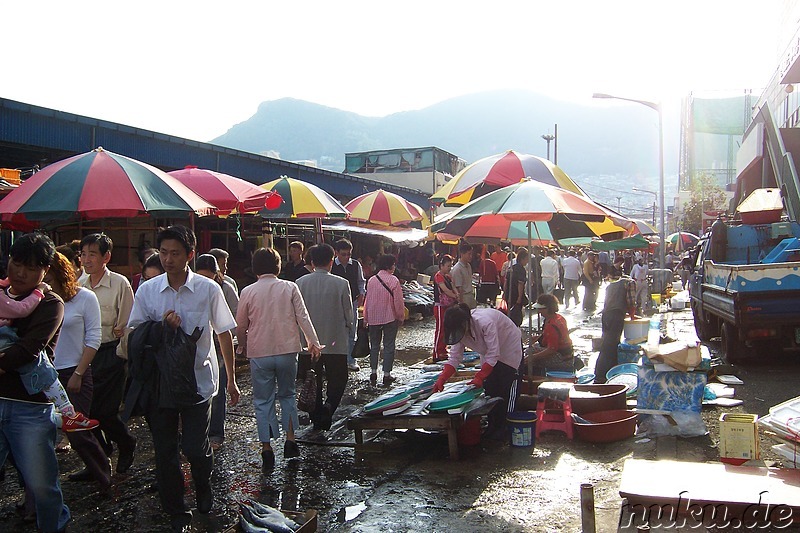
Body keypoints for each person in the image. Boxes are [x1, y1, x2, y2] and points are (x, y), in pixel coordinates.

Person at [129, 225, 240, 531]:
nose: (168, 259)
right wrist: (160, 327)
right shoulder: (148, 290)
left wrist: (231, 378)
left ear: (190, 255)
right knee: (164, 450)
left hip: (198, 381)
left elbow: (223, 333)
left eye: (175, 253)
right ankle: (176, 508)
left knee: (193, 446)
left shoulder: (208, 289)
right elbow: (133, 332)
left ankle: (203, 484)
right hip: (160, 383)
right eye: (163, 252)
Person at [0, 233, 71, 533]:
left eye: (30, 267)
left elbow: (26, 350)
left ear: (45, 270)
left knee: (41, 485)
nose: (20, 272)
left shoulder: (51, 304)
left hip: (30, 408)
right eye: (16, 263)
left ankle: (55, 527)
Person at [237, 248, 321, 474]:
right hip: (287, 350)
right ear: (278, 267)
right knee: (288, 395)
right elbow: (303, 316)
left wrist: (241, 344)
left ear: (254, 268)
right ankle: (290, 440)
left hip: (259, 352)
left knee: (263, 400)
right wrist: (313, 342)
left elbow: (241, 324)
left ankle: (266, 447)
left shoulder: (247, 291)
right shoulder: (289, 287)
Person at [47, 252, 111, 491]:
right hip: (45, 374)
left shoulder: (85, 298)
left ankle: (103, 474)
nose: (47, 285)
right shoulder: (39, 299)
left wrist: (79, 373)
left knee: (77, 430)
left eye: (51, 280)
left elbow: (94, 338)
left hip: (74, 370)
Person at [79, 233, 137, 474]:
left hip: (111, 353)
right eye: (83, 254)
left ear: (106, 257)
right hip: (85, 355)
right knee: (84, 413)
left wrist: (120, 356)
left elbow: (127, 321)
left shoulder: (119, 284)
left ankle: (126, 443)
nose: (86, 259)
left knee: (105, 411)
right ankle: (100, 457)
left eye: (92, 254)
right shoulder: (79, 284)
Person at [433, 304, 522, 439]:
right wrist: (442, 378)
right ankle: (493, 426)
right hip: (488, 354)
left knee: (506, 388)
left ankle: (506, 427)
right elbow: (455, 358)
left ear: (466, 323)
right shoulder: (459, 331)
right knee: (491, 389)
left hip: (509, 347)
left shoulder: (485, 322)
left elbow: (493, 353)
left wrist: (480, 376)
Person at [296, 244, 354, 431]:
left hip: (308, 344)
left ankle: (317, 414)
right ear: (331, 261)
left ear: (312, 262)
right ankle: (328, 408)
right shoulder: (341, 283)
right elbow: (349, 315)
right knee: (338, 379)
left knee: (313, 381)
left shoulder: (300, 283)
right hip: (335, 341)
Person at [194, 254, 239, 451]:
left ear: (216, 274)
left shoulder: (224, 288)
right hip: (194, 347)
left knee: (218, 390)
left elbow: (234, 317)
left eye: (209, 276)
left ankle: (216, 433)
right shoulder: (189, 288)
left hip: (219, 345)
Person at [363, 254, 405, 387]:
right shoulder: (394, 281)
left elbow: (367, 300)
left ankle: (373, 371)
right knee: (389, 346)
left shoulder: (371, 280)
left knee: (374, 346)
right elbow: (398, 302)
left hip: (374, 318)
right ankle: (386, 374)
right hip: (389, 317)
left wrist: (366, 317)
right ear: (389, 265)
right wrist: (401, 316)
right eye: (393, 264)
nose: (394, 267)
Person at [330, 239, 366, 372]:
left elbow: (361, 282)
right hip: (335, 304)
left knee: (352, 331)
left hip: (353, 302)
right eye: (343, 254)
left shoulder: (356, 265)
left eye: (348, 254)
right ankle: (337, 360)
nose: (346, 257)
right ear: (336, 253)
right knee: (336, 332)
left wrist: (362, 294)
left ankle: (351, 360)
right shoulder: (332, 265)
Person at [595, 272, 637, 383]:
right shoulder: (630, 283)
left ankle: (607, 370)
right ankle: (601, 374)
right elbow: (631, 302)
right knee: (610, 345)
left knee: (608, 343)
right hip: (616, 315)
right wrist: (632, 317)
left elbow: (609, 303)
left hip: (606, 315)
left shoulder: (611, 285)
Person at [525, 294, 574, 374]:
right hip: (567, 354)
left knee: (529, 352)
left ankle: (536, 376)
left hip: (562, 358)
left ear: (548, 309)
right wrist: (539, 337)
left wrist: (532, 357)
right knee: (533, 348)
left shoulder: (551, 325)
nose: (538, 312)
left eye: (541, 309)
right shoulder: (559, 317)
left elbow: (551, 349)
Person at [432, 254, 458, 361]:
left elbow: (453, 287)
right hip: (440, 306)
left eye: (450, 266)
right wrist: (455, 295)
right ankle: (437, 352)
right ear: (441, 265)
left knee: (446, 328)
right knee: (440, 329)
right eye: (448, 266)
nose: (450, 268)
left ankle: (443, 350)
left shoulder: (448, 276)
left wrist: (457, 294)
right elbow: (445, 290)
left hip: (448, 306)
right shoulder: (438, 276)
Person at [504, 246, 529, 326]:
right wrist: (519, 297)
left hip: (509, 294)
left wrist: (505, 293)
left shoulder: (511, 268)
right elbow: (520, 284)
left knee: (510, 313)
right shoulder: (521, 269)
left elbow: (506, 281)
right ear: (522, 259)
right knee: (516, 315)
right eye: (526, 259)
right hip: (516, 295)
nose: (527, 261)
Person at [451, 243, 476, 309]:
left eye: (471, 254)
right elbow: (459, 288)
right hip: (464, 297)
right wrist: (461, 303)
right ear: (462, 254)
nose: (471, 256)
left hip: (470, 295)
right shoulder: (457, 269)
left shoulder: (468, 266)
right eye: (469, 254)